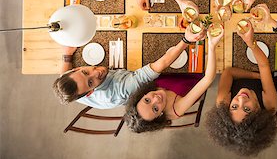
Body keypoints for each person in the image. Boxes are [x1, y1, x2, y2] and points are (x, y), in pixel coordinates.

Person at [52, 27, 205, 109]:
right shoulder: (121, 90)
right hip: (151, 88)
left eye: (86, 72)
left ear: (76, 70)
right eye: (91, 82)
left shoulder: (70, 85)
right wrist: (186, 40)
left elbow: (63, 74)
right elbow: (161, 65)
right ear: (89, 93)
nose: (96, 72)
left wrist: (67, 55)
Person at [124, 26, 223, 133]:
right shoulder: (177, 109)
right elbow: (208, 79)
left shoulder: (141, 89)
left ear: (141, 97)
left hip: (176, 60)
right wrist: (212, 46)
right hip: (196, 68)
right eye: (155, 109)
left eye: (147, 100)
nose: (156, 99)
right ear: (160, 116)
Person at [205, 22, 277, 156]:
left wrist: (260, 77)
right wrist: (251, 43)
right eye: (246, 109)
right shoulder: (270, 105)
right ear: (258, 112)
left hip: (246, 69)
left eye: (234, 106)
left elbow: (229, 72)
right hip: (261, 67)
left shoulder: (222, 104)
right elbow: (264, 66)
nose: (241, 99)